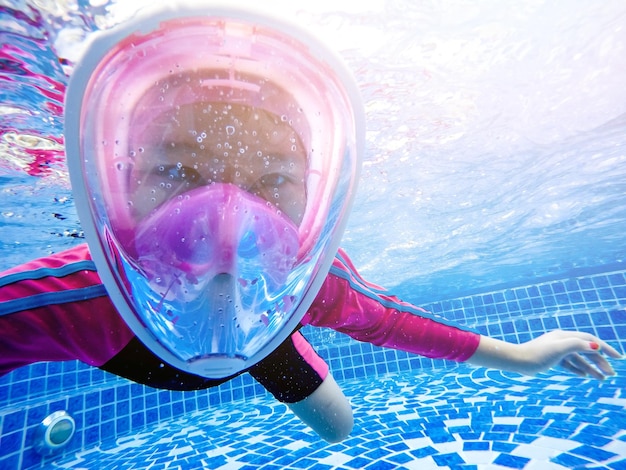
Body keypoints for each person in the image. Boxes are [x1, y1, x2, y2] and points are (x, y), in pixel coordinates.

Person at [0, 4, 621, 444]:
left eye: (273, 182)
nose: (226, 225)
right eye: (179, 170)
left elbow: (397, 322)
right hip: (129, 341)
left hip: (268, 339)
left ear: (315, 197)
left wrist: (520, 356)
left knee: (340, 430)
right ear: (116, 183)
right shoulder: (71, 295)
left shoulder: (312, 281)